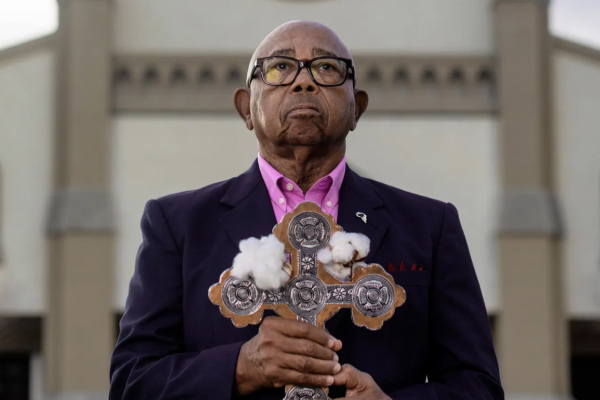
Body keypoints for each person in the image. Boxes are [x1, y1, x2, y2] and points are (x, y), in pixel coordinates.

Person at [109, 21, 504, 400]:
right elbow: (133, 382)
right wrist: (239, 367)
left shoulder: (429, 227)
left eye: (326, 67)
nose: (304, 80)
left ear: (357, 110)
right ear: (246, 108)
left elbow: (477, 386)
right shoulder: (177, 225)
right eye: (280, 67)